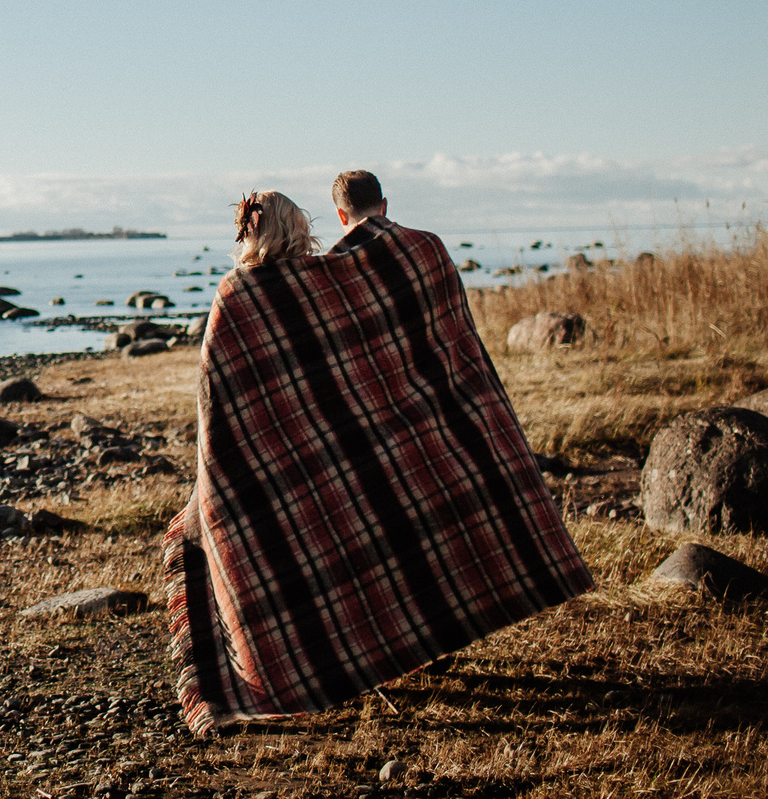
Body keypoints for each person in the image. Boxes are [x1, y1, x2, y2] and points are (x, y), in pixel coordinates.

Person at [159, 169, 590, 737]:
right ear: (301, 227)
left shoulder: (237, 294)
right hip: (352, 456)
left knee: (261, 553)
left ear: (247, 233)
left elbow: (219, 402)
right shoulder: (342, 272)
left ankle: (279, 679)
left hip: (283, 474)